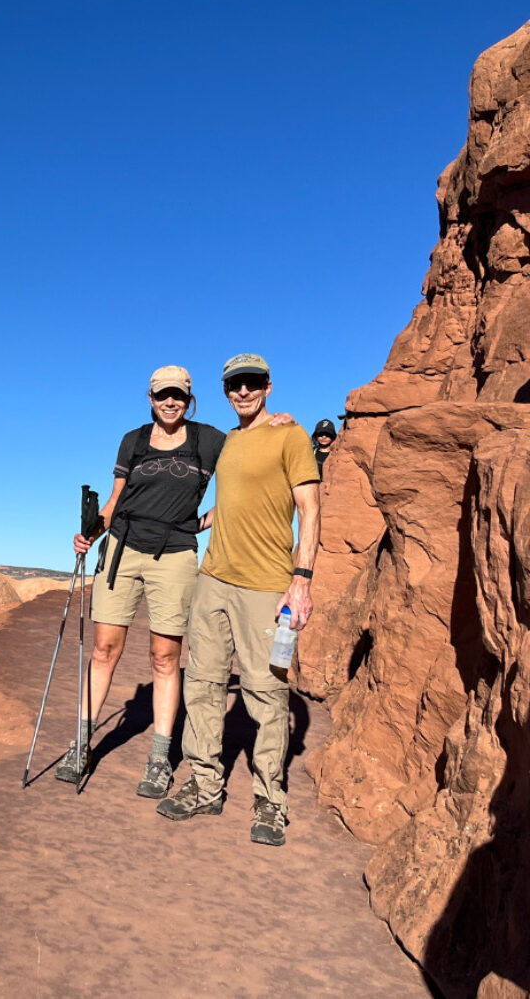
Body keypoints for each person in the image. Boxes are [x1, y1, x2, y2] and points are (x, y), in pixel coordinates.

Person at [57, 365, 291, 800]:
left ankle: (160, 758)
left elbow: (248, 462)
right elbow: (115, 500)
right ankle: (82, 744)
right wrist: (91, 532)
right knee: (105, 649)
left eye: (178, 395)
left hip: (176, 556)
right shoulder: (134, 440)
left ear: (189, 398)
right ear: (150, 398)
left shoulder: (209, 440)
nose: (170, 402)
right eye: (163, 394)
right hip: (122, 550)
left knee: (165, 657)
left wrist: (278, 420)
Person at [157, 353, 320, 847]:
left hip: (267, 586)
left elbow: (310, 510)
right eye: (234, 384)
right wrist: (197, 521)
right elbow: (232, 501)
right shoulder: (227, 444)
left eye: (251, 383)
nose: (242, 392)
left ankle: (271, 801)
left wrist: (302, 580)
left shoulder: (290, 436)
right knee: (203, 683)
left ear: (268, 386)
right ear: (226, 390)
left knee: (266, 691)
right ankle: (206, 785)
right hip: (214, 580)